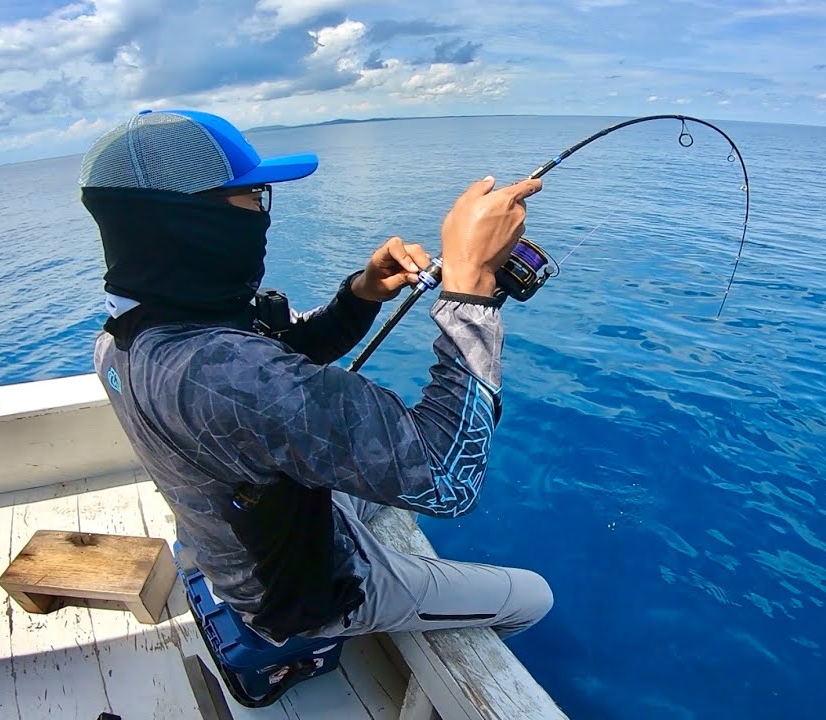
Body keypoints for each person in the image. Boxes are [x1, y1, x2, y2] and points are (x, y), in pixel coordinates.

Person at [79, 108, 551, 647]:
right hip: (301, 591)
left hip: (260, 530)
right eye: (254, 198)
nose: (264, 213)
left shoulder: (127, 335)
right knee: (533, 596)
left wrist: (362, 294)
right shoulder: (228, 376)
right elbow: (446, 477)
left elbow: (277, 352)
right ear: (190, 221)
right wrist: (471, 285)